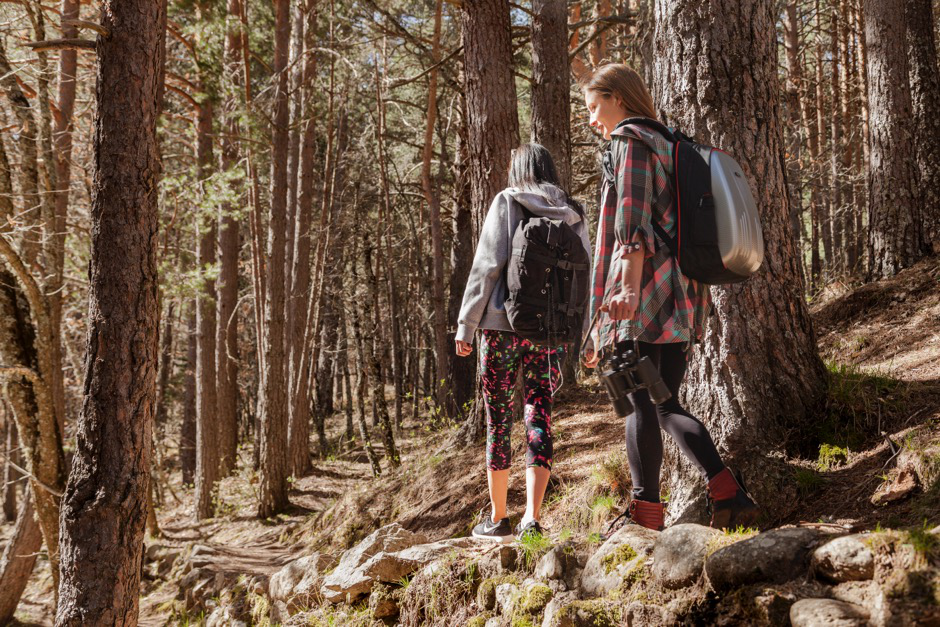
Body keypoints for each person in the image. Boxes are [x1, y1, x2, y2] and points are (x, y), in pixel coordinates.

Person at [580, 63, 758, 531]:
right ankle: (727, 492)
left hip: (645, 293)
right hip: (680, 292)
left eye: (595, 107)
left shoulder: (630, 141)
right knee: (664, 404)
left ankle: (646, 517)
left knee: (640, 403)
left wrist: (626, 291)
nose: (592, 120)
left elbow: (632, 226)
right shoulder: (667, 140)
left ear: (619, 97)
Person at [456, 143, 592, 542]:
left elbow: (488, 264)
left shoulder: (508, 200)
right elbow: (584, 276)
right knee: (539, 411)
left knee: (498, 418)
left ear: (519, 169)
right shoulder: (573, 213)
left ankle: (499, 519)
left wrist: (467, 325)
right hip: (548, 330)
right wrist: (586, 336)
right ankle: (532, 517)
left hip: (499, 328)